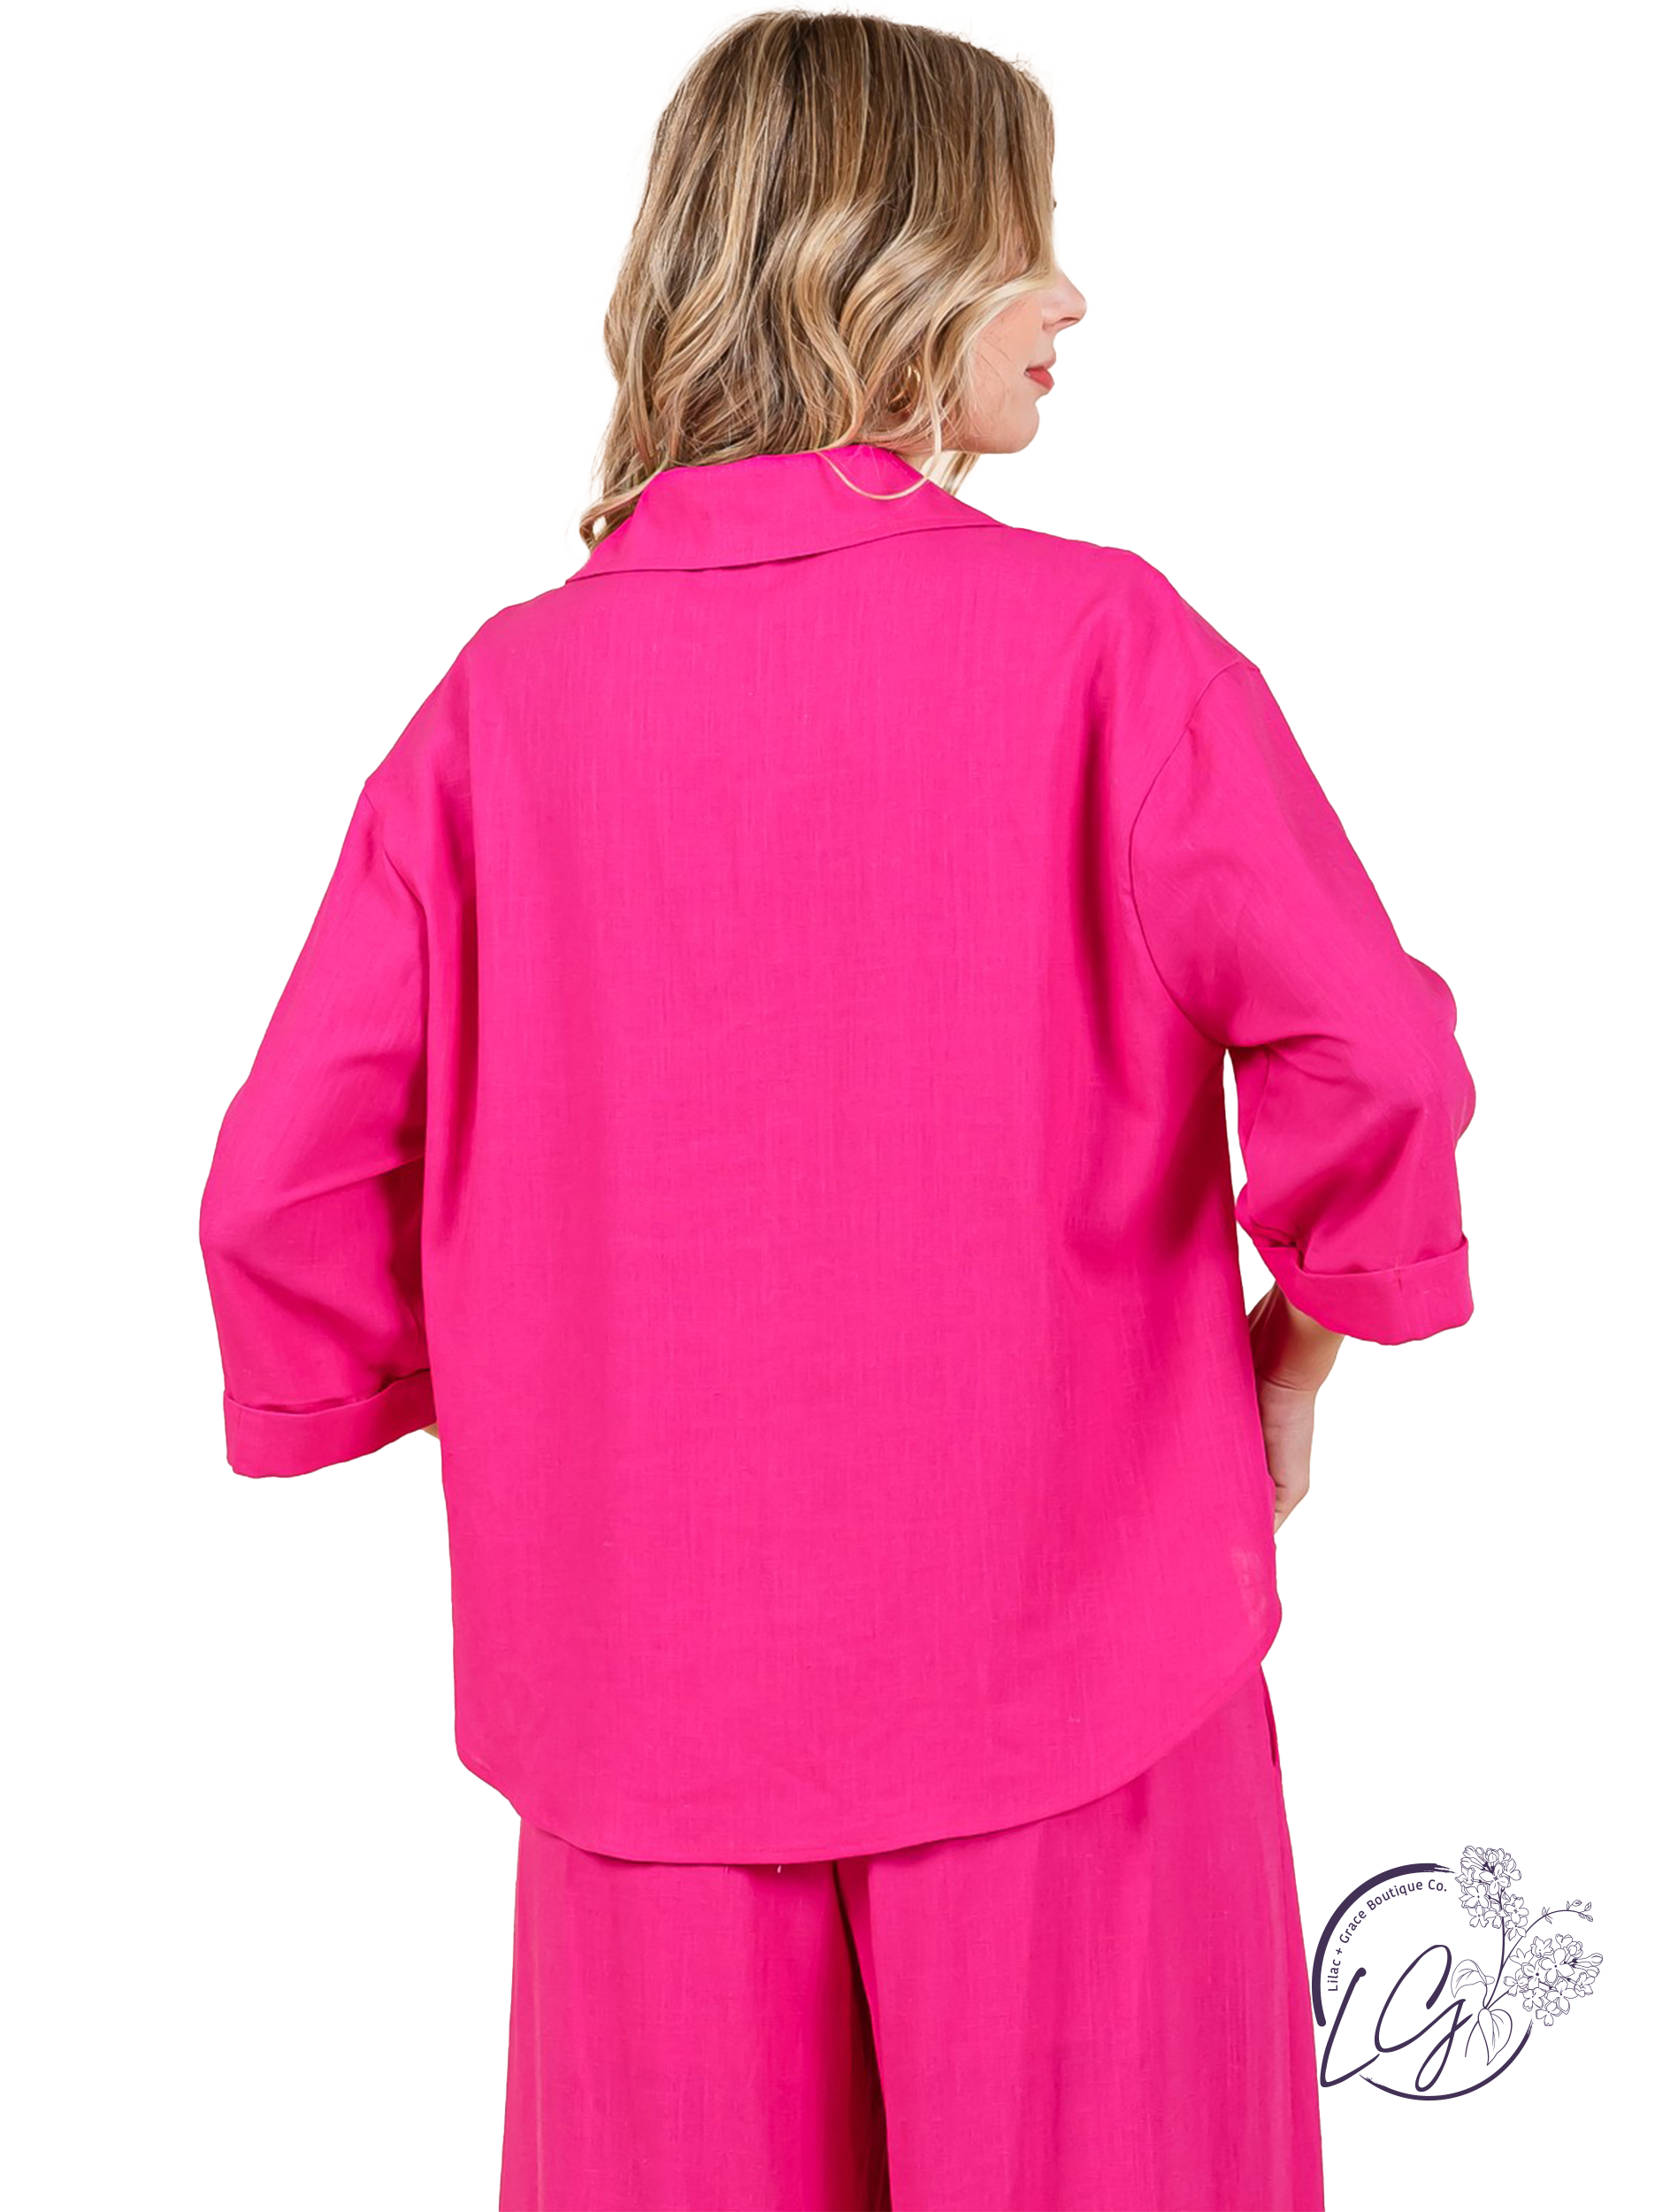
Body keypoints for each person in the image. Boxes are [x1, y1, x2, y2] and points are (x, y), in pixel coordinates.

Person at [197, 12, 1475, 2208]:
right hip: (1082, 1680)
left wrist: (537, 1424)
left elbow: (285, 1181)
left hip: (643, 1732)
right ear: (884, 264)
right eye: (1026, 240)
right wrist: (1296, 1353)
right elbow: (1371, 1053)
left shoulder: (501, 710)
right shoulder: (1105, 651)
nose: (1073, 297)